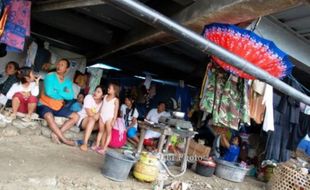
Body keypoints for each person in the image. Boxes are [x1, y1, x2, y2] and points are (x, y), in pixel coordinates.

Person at [37, 58, 79, 146]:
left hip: (58, 106)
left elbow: (70, 96)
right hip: (45, 105)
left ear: (67, 69)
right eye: (58, 64)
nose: (59, 66)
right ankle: (64, 140)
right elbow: (49, 92)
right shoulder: (50, 76)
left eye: (62, 65)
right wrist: (63, 92)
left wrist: (57, 90)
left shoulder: (68, 82)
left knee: (76, 116)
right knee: (49, 115)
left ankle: (56, 133)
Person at [94, 83, 120, 154]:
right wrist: (99, 114)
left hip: (109, 118)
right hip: (102, 116)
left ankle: (104, 148)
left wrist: (114, 120)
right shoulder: (105, 96)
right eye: (108, 88)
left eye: (109, 88)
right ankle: (97, 145)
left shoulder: (116, 100)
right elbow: (102, 106)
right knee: (101, 131)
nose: (108, 89)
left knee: (108, 133)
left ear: (114, 90)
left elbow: (116, 111)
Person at [78, 85, 104, 151]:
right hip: (82, 120)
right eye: (95, 91)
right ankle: (85, 143)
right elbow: (89, 113)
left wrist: (97, 116)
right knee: (92, 119)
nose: (95, 93)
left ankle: (99, 144)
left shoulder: (103, 103)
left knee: (104, 123)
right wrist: (97, 115)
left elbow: (100, 117)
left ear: (103, 96)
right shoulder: (89, 97)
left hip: (93, 123)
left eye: (98, 92)